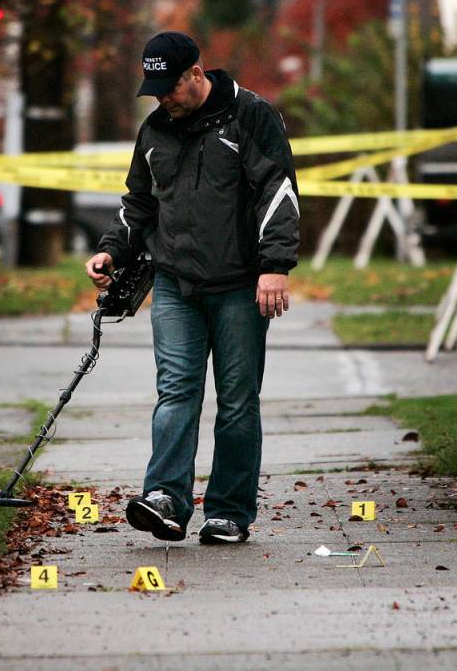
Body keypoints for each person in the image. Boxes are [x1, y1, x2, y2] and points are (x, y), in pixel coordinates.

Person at [85, 31, 299, 545]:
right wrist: (112, 249)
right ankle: (166, 499)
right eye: (155, 89)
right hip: (176, 285)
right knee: (176, 392)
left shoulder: (250, 116)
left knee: (238, 401)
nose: (162, 98)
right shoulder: (155, 129)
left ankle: (228, 512)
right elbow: (139, 203)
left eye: (170, 87)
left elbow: (279, 190)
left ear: (196, 74)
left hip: (240, 287)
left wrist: (276, 265)